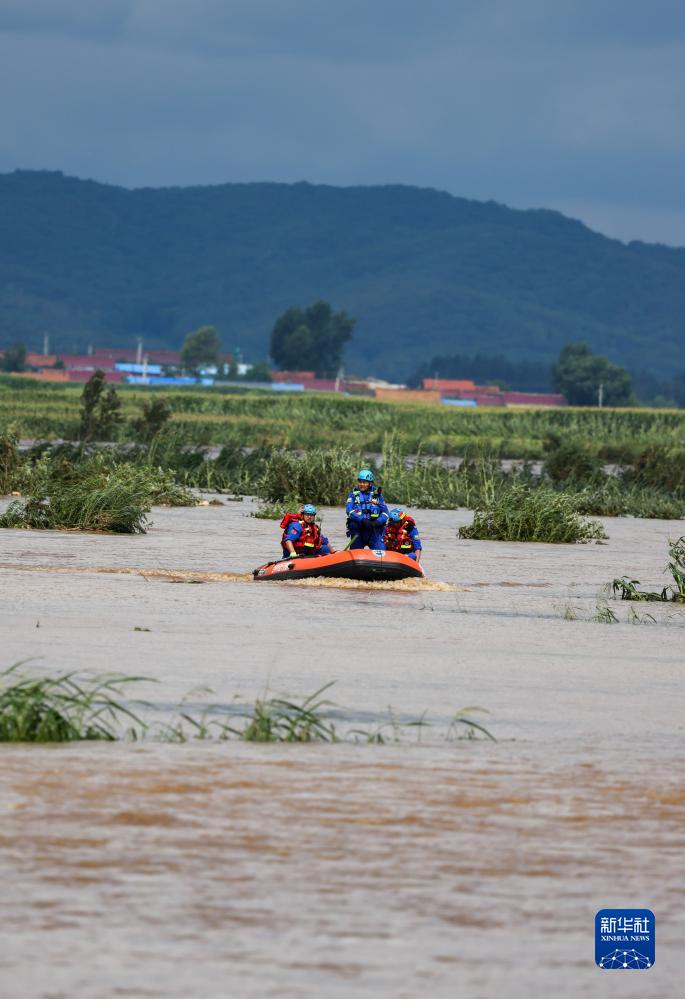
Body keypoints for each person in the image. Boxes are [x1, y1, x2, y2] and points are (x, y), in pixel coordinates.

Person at [345, 469, 389, 550]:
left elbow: (385, 512)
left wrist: (378, 522)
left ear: (370, 483)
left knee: (381, 551)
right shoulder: (353, 495)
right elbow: (349, 510)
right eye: (360, 482)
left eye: (364, 482)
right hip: (358, 530)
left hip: (374, 530)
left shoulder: (377, 495)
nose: (361, 484)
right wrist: (362, 520)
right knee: (356, 552)